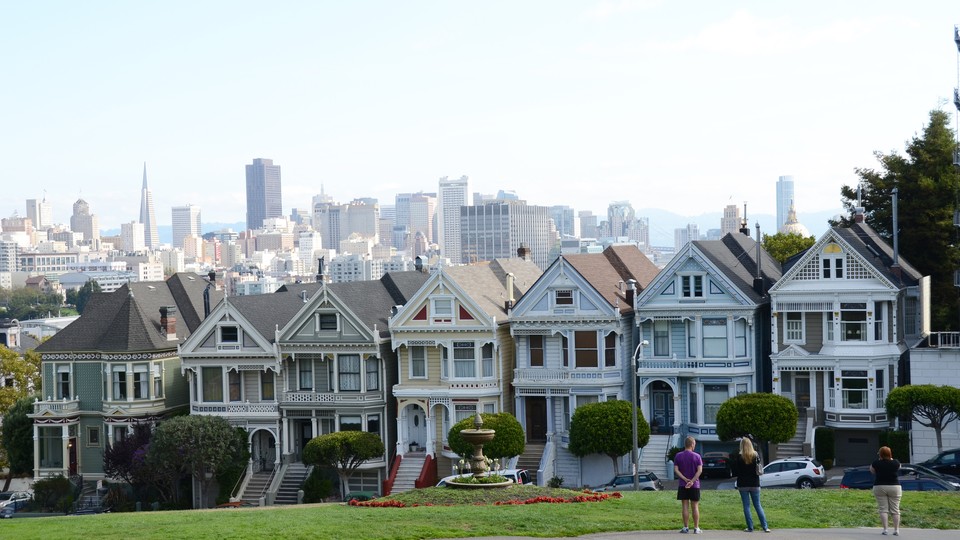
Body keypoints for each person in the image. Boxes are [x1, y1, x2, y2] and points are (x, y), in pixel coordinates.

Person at [732, 437, 770, 532]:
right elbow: (758, 469)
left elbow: (735, 471)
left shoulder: (739, 457)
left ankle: (750, 527)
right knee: (757, 505)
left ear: (742, 445)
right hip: (754, 483)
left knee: (746, 506)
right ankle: (765, 527)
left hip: (743, 484)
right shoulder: (755, 455)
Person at [673, 435, 703, 534]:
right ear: (692, 444)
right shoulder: (697, 456)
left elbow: (676, 470)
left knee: (685, 506)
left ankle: (685, 527)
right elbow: (699, 470)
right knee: (695, 506)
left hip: (683, 484)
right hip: (695, 485)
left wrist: (685, 479)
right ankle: (696, 528)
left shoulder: (678, 456)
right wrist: (692, 481)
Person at [870, 446, 902, 536]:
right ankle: (896, 530)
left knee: (883, 509)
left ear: (880, 454)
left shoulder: (876, 463)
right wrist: (890, 459)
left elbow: (872, 471)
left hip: (879, 486)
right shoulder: (896, 462)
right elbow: (898, 468)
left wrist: (880, 460)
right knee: (895, 510)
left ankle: (885, 529)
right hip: (894, 486)